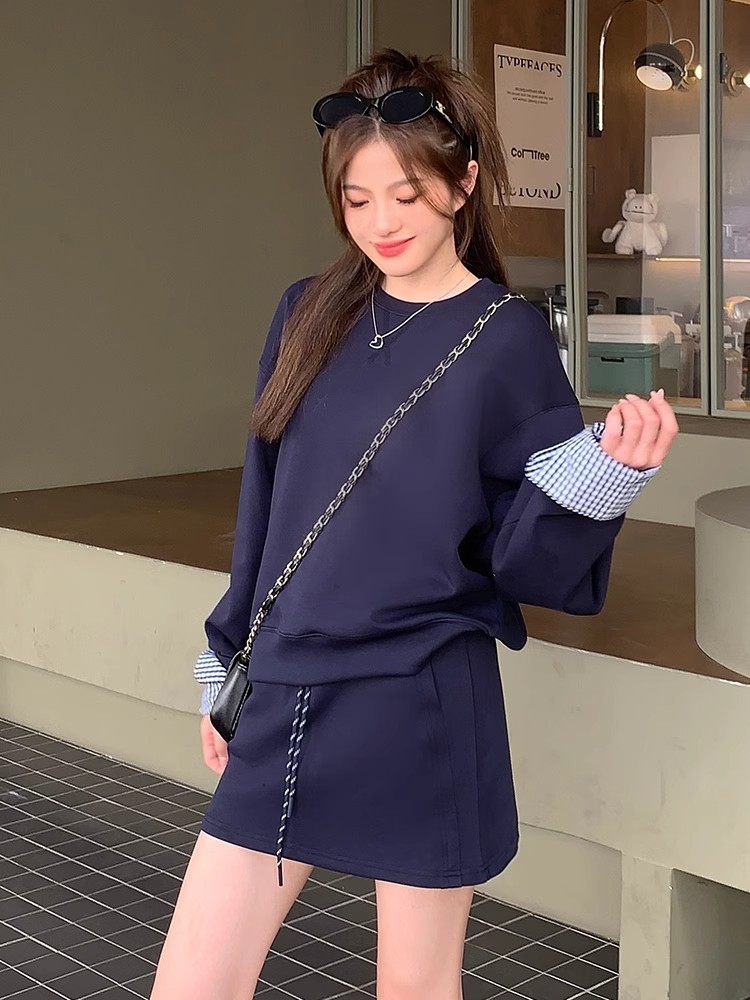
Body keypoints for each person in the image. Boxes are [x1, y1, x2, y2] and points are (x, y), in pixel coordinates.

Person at [150, 48, 678, 1000]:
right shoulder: (307, 313)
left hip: (420, 697)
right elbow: (267, 506)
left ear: (464, 183)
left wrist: (609, 473)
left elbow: (523, 558)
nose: (382, 223)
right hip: (289, 692)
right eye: (357, 200)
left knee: (417, 988)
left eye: (407, 194)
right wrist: (226, 660)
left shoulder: (507, 338)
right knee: (192, 984)